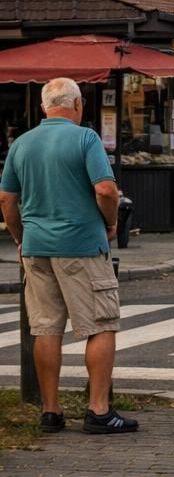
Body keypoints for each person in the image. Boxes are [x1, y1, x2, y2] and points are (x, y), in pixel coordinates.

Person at [0, 77, 137, 435]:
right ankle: (99, 410)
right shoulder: (85, 138)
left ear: (45, 107)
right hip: (81, 245)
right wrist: (109, 222)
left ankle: (50, 411)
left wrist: (20, 237)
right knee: (101, 325)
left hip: (36, 248)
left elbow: (6, 200)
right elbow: (106, 189)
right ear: (78, 105)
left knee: (45, 329)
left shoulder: (22, 144)